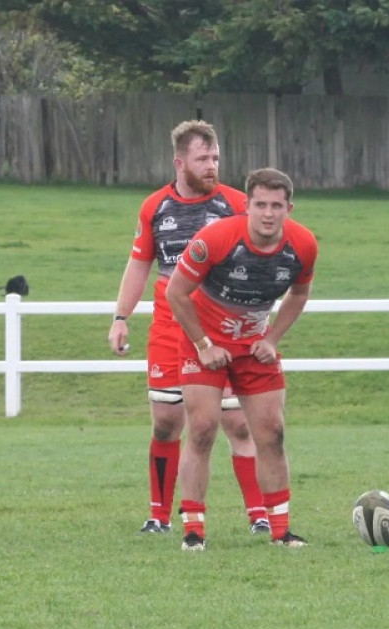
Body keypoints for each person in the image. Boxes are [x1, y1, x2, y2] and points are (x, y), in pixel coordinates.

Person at [108, 120, 270, 536]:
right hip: (168, 327)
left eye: (216, 157)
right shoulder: (154, 208)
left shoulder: (236, 205)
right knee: (166, 420)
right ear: (180, 162)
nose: (212, 166)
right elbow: (139, 264)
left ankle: (259, 515)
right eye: (203, 159)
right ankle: (158, 517)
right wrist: (121, 317)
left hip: (221, 326)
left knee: (235, 422)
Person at [165, 168, 317, 551]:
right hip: (204, 341)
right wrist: (203, 344)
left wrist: (272, 337)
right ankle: (193, 532)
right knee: (202, 427)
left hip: (253, 345)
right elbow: (177, 293)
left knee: (272, 432)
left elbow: (299, 294)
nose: (268, 213)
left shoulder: (303, 245)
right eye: (261, 204)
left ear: (289, 208)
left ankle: (281, 532)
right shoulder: (216, 238)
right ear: (246, 205)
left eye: (276, 206)